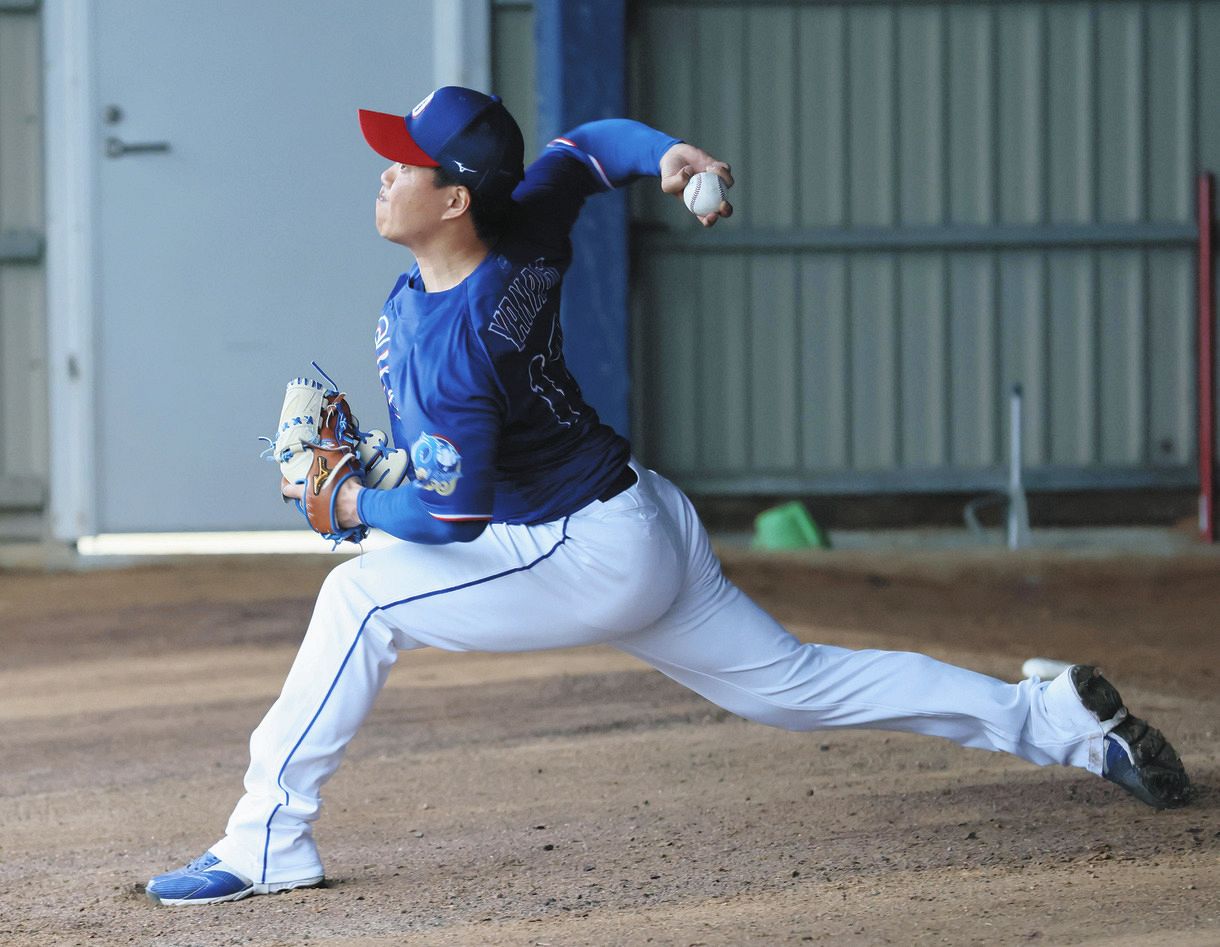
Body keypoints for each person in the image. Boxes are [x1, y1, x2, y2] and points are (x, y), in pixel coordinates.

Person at [145, 87, 1191, 906]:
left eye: (405, 162)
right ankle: (1055, 720)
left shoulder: (452, 341)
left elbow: (454, 520)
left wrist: (351, 508)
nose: (382, 170)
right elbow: (588, 146)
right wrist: (669, 156)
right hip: (634, 516)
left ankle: (266, 840)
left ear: (454, 198)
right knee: (792, 685)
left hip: (581, 550)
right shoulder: (519, 224)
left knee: (359, 599)